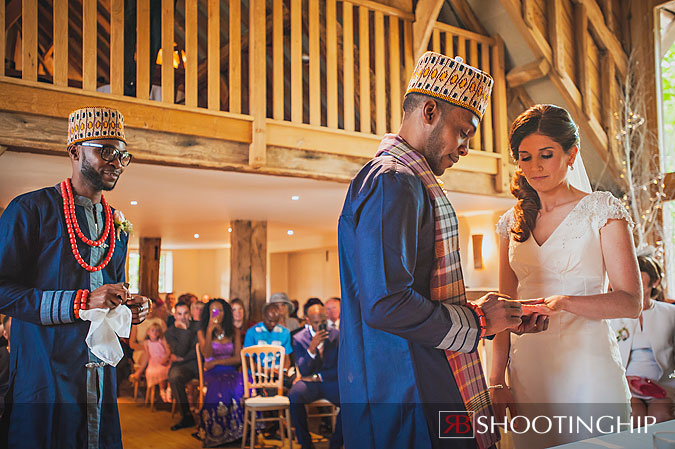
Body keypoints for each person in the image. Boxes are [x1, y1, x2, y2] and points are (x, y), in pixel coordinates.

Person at [338, 52, 526, 449]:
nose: (465, 148)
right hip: (407, 388)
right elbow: (387, 303)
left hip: (419, 377)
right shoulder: (395, 181)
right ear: (428, 111)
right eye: (463, 132)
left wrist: (497, 315)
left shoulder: (405, 180)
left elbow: (417, 290)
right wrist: (477, 321)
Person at [492, 104, 642, 448]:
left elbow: (631, 302)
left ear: (571, 153)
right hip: (529, 370)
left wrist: (566, 303)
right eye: (525, 157)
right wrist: (496, 381)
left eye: (546, 154)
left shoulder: (602, 210)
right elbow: (502, 310)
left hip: (589, 369)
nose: (535, 167)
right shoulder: (508, 223)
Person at [0, 106, 150, 448]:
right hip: (46, 369)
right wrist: (80, 302)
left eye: (122, 155)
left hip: (100, 368)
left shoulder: (117, 223)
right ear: (74, 151)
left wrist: (130, 305)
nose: (115, 162)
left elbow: (112, 289)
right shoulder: (31, 210)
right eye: (106, 151)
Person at [610, 254, 675, 423]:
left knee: (661, 415)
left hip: (663, 384)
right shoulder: (614, 314)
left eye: (640, 271)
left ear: (655, 281)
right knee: (635, 416)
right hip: (627, 385)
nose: (633, 276)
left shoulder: (670, 313)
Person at [289, 304, 342, 449]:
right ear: (308, 321)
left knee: (350, 399)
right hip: (309, 384)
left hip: (330, 381)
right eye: (316, 322)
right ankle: (306, 444)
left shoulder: (336, 335)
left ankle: (336, 444)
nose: (320, 325)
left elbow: (340, 366)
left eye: (323, 321)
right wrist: (312, 349)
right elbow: (304, 370)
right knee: (294, 395)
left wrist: (318, 376)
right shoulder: (299, 338)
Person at [195, 299, 245, 447]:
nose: (216, 313)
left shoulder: (234, 331)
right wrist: (210, 331)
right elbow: (206, 354)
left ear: (226, 313)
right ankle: (218, 433)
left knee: (239, 386)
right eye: (213, 310)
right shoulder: (202, 332)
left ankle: (238, 431)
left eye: (220, 310)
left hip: (229, 370)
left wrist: (216, 362)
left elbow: (237, 359)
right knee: (219, 389)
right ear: (208, 313)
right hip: (212, 373)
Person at [166, 301, 200, 430]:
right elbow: (179, 351)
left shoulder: (198, 326)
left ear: (190, 313)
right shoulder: (170, 332)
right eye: (179, 314)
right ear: (175, 315)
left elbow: (198, 350)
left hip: (197, 363)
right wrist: (184, 331)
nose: (183, 317)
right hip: (181, 366)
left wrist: (182, 357)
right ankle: (186, 416)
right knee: (174, 377)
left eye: (185, 313)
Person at [243, 303, 293, 370]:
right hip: (258, 373)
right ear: (263, 316)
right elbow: (248, 360)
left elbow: (287, 358)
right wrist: (266, 371)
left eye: (276, 321)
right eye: (270, 321)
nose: (273, 324)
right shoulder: (252, 332)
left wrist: (283, 371)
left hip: (278, 372)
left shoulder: (285, 332)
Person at [130, 322, 171, 402]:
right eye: (153, 331)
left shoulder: (161, 340)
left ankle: (168, 389)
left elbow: (167, 350)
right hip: (153, 361)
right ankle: (161, 390)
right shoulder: (146, 343)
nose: (155, 333)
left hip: (163, 358)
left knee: (166, 370)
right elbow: (148, 355)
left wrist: (166, 358)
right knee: (155, 371)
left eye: (157, 331)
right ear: (148, 332)